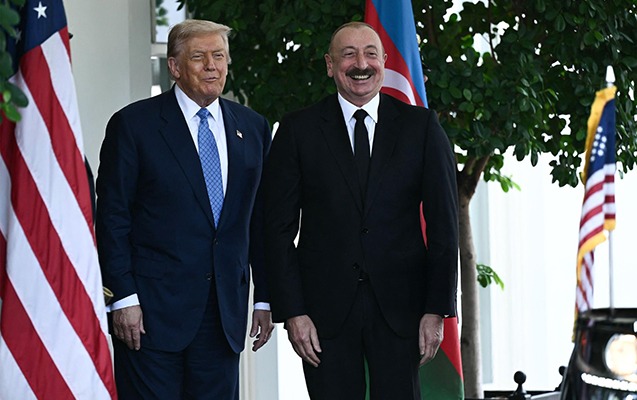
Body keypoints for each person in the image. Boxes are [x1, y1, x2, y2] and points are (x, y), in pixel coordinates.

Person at [262, 21, 458, 399]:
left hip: (403, 312)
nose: (361, 64)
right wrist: (293, 312)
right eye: (348, 54)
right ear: (330, 65)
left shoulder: (421, 128)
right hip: (323, 315)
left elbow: (444, 227)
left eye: (370, 54)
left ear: (384, 61)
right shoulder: (297, 130)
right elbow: (277, 229)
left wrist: (437, 310)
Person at [96, 19, 273, 399]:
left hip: (223, 315)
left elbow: (260, 220)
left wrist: (265, 297)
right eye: (199, 57)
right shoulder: (134, 125)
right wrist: (122, 297)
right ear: (175, 67)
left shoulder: (253, 127)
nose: (212, 66)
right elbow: (112, 217)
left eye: (219, 56)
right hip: (149, 315)